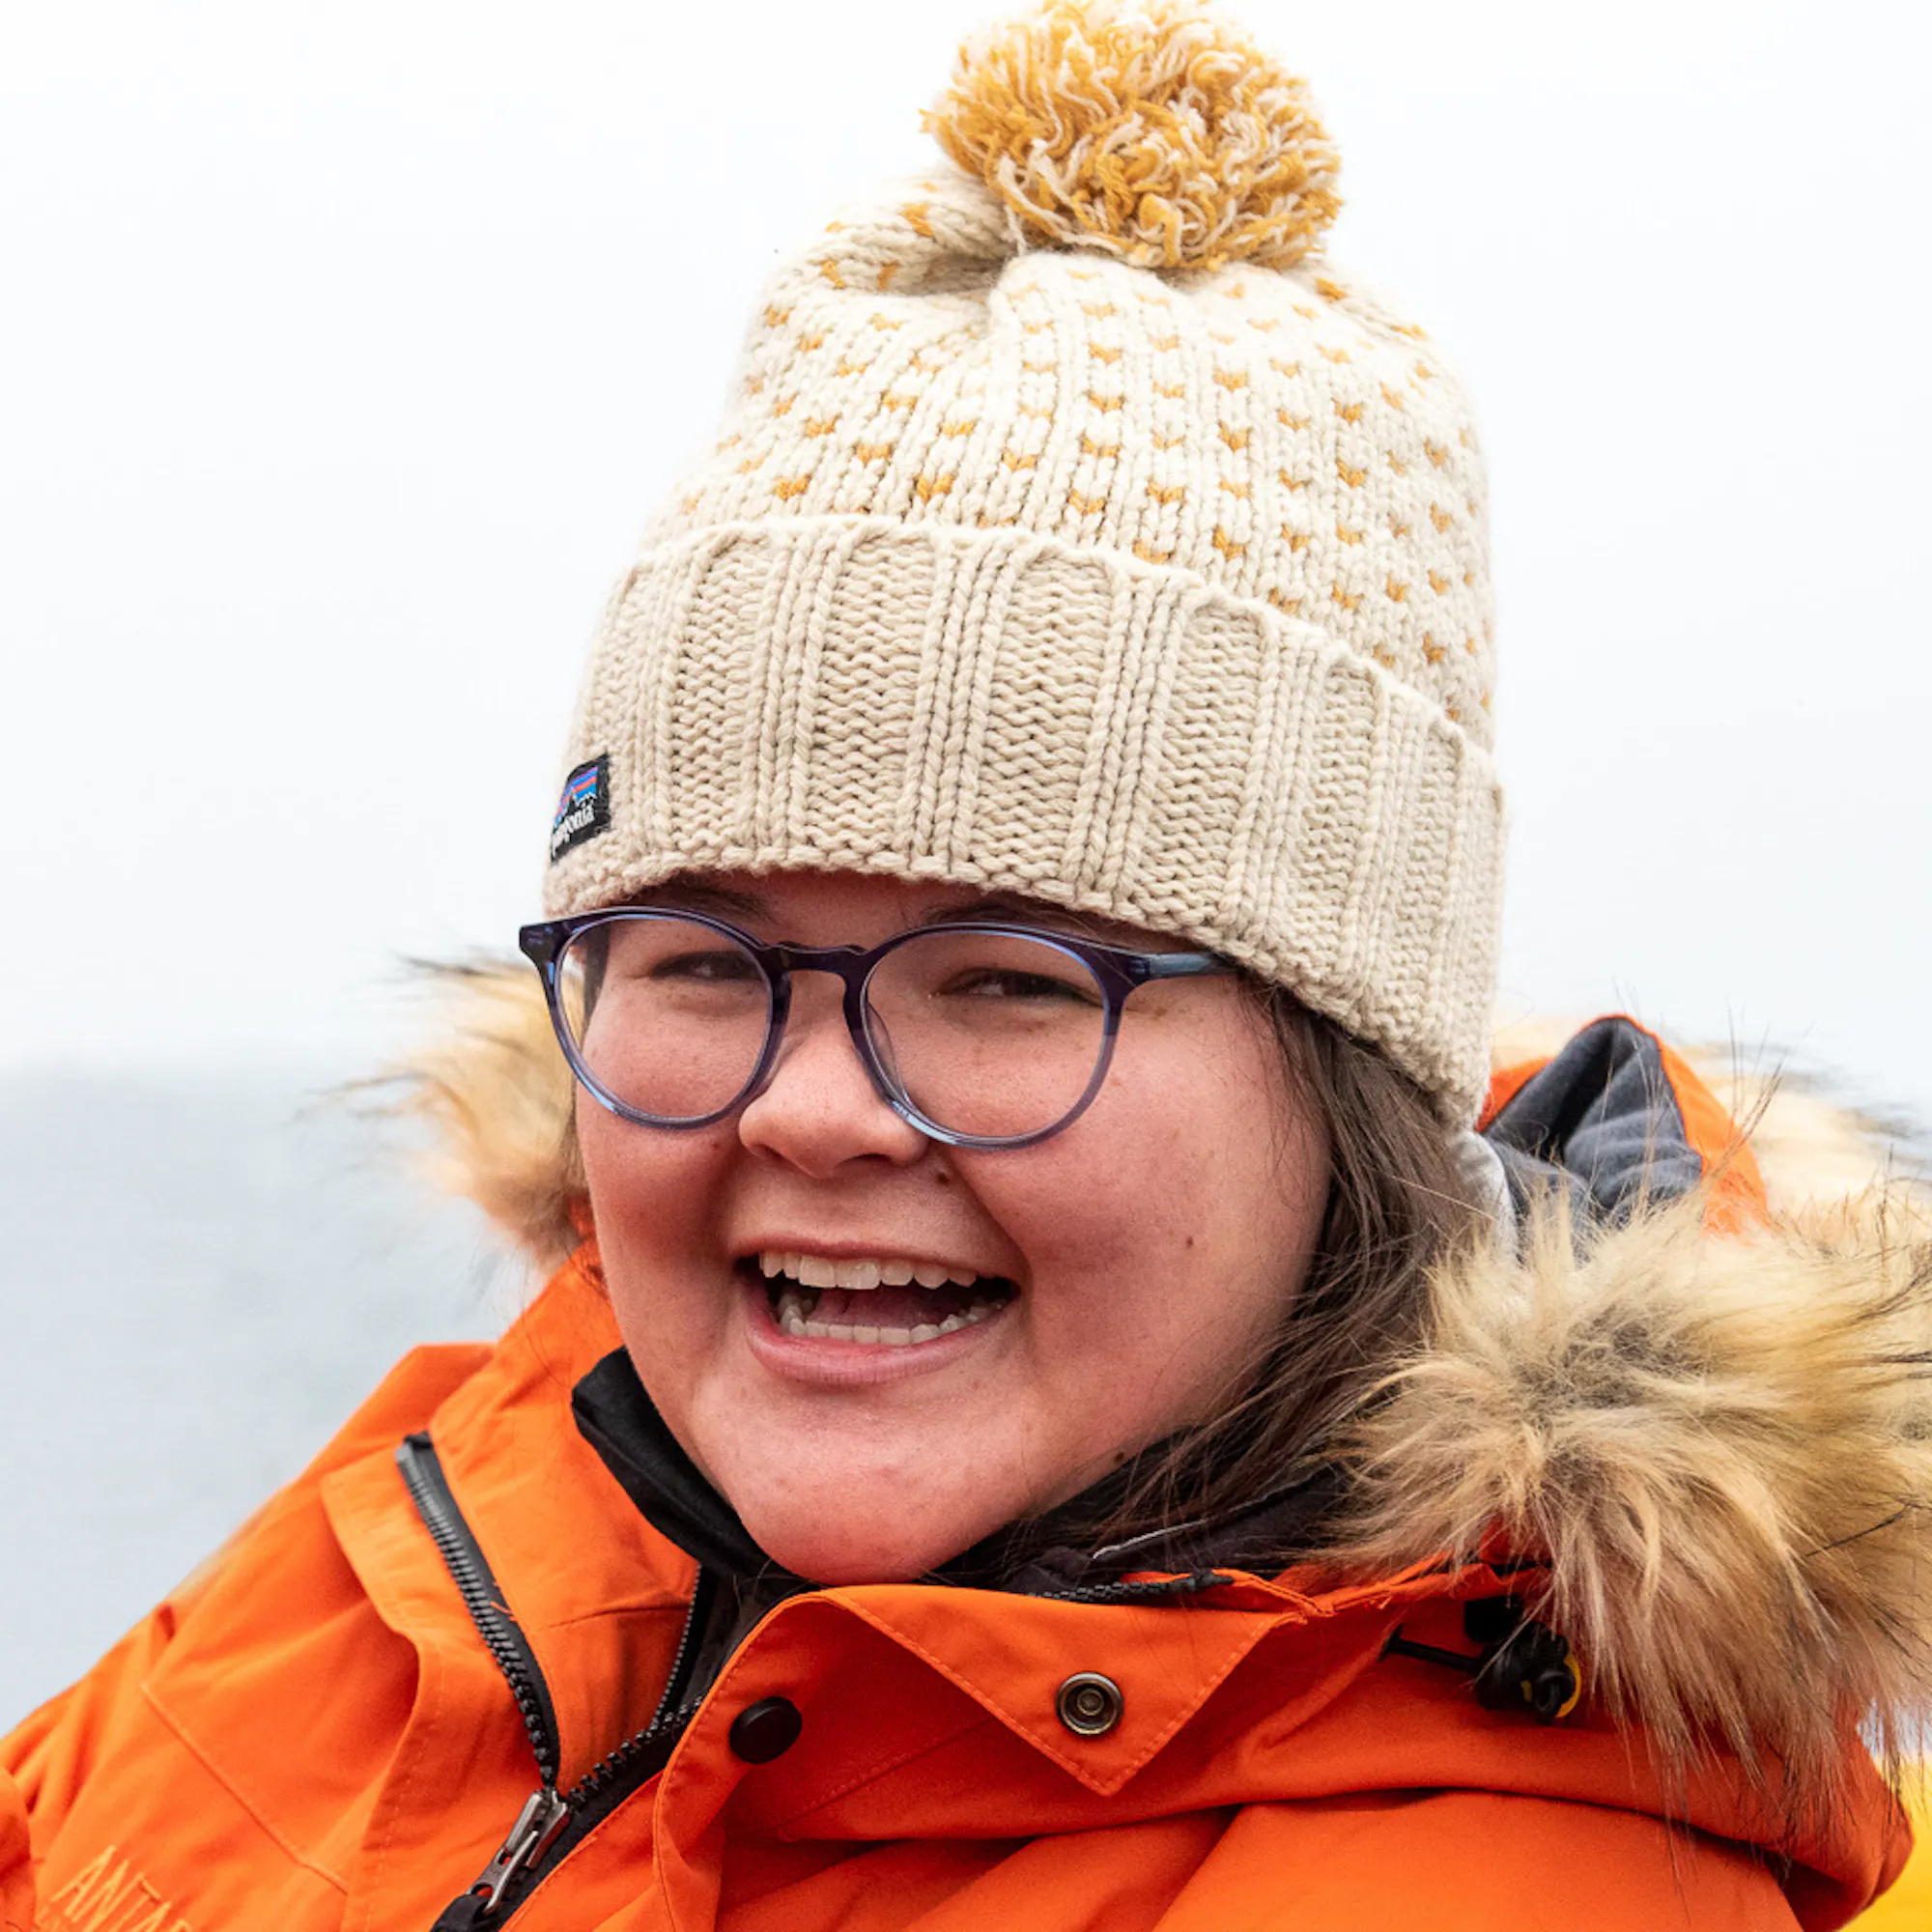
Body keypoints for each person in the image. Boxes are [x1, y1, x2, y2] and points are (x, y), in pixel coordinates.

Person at [6, 3, 1928, 1926]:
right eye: (696, 958)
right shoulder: (455, 1510)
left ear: (1349, 1081)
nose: (810, 1103)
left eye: (1010, 980)